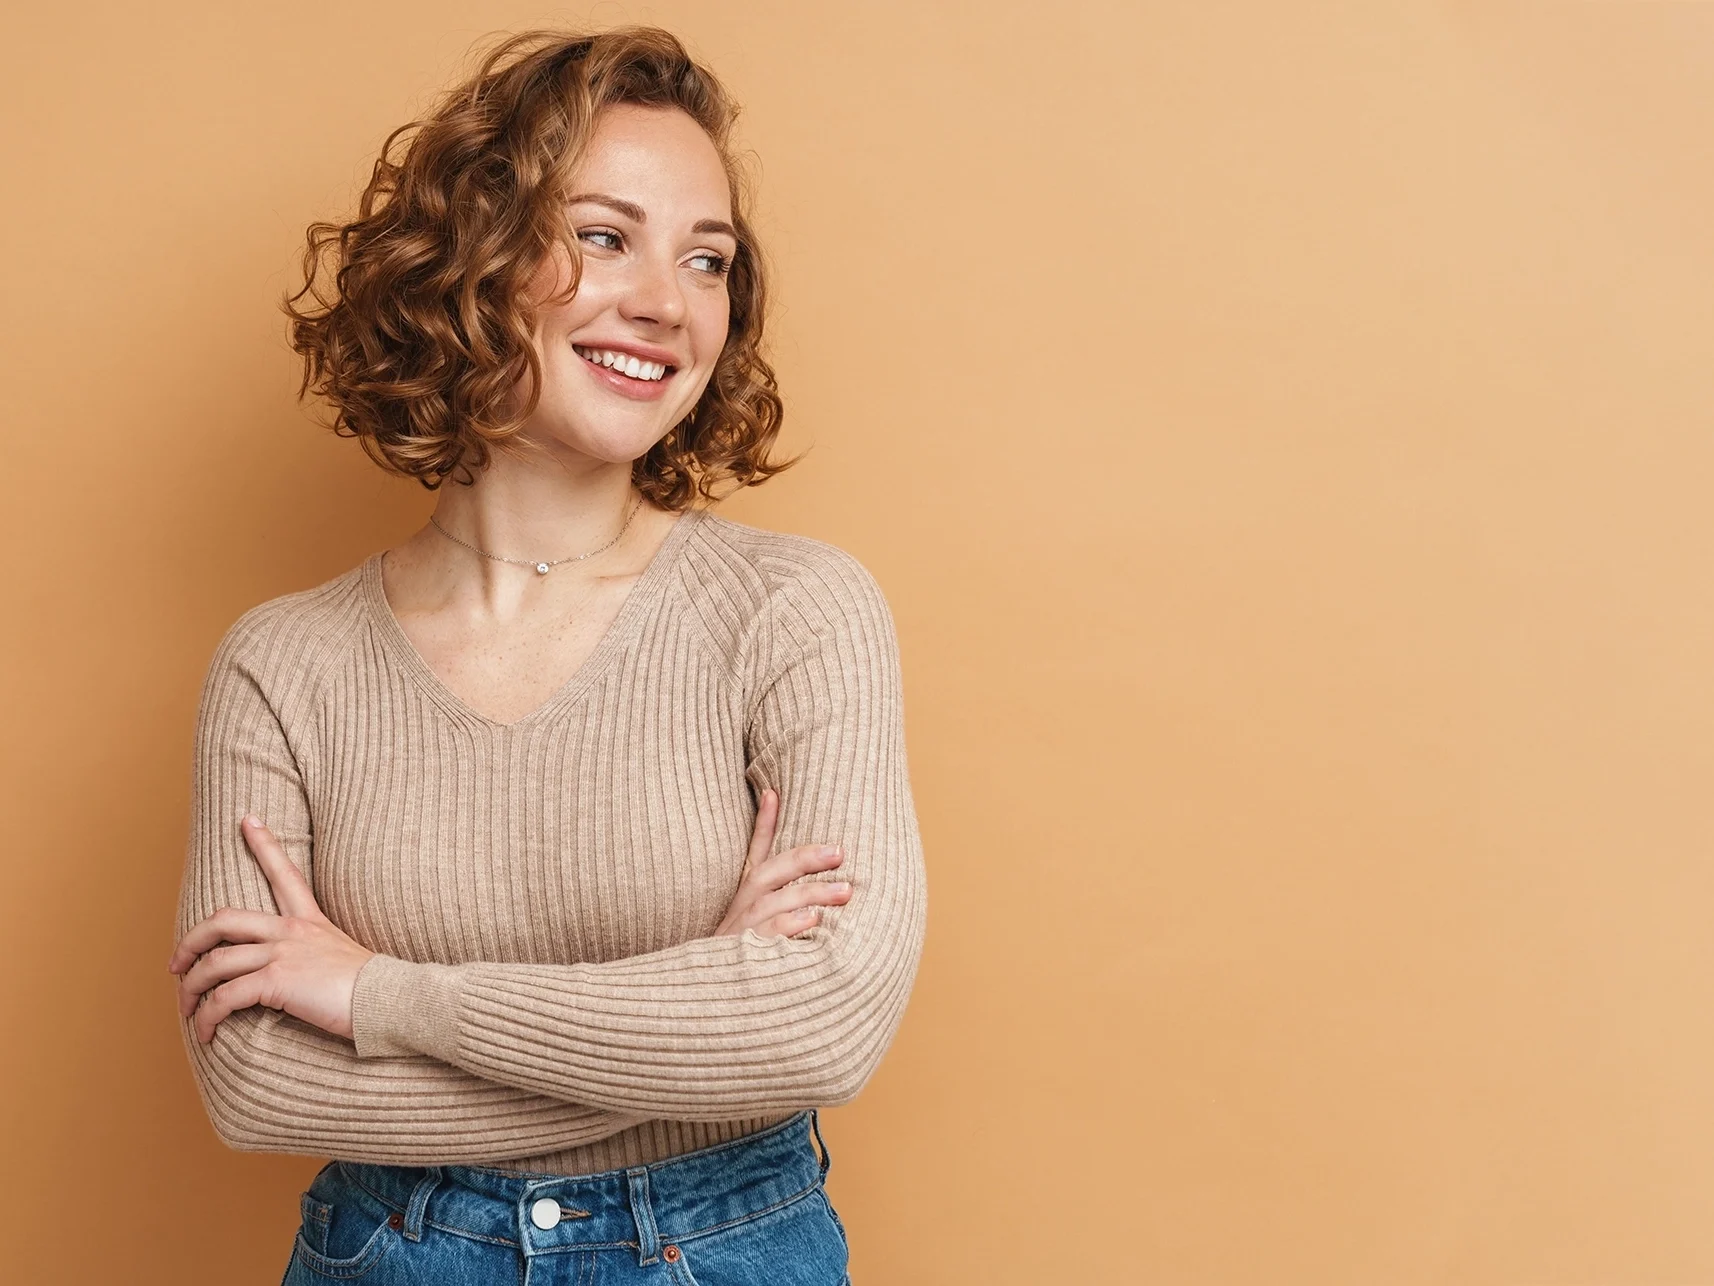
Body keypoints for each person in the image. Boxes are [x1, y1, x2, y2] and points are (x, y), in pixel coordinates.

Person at [165, 26, 926, 1285]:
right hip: (391, 1254)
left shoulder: (795, 614)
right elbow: (255, 1082)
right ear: (472, 254)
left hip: (723, 1247)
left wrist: (380, 996)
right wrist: (692, 1010)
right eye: (604, 235)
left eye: (707, 258)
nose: (667, 302)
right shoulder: (283, 666)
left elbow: (819, 1026)